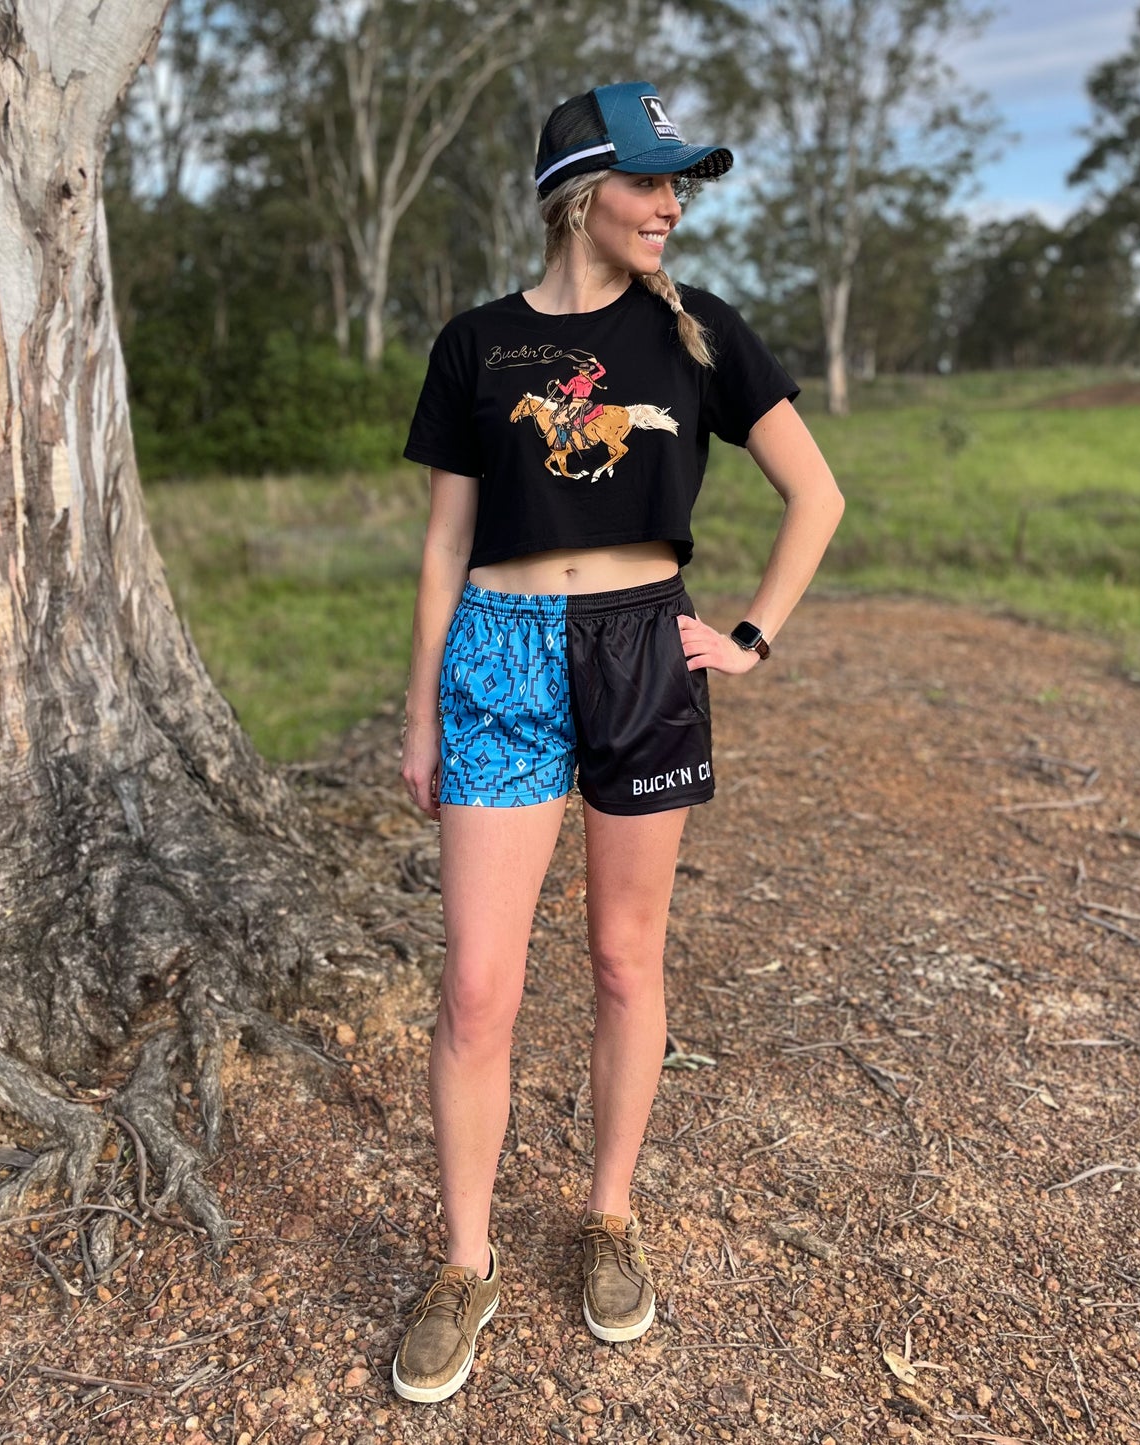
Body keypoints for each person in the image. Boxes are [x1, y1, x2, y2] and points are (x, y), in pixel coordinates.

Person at [393, 80, 844, 1404]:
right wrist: (421, 706)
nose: (671, 207)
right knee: (478, 983)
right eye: (651, 184)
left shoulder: (699, 337)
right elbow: (440, 544)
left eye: (679, 188)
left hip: (645, 646)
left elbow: (813, 491)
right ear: (579, 193)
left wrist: (749, 634)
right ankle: (465, 1259)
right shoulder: (474, 344)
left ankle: (606, 1215)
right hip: (498, 653)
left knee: (620, 955)